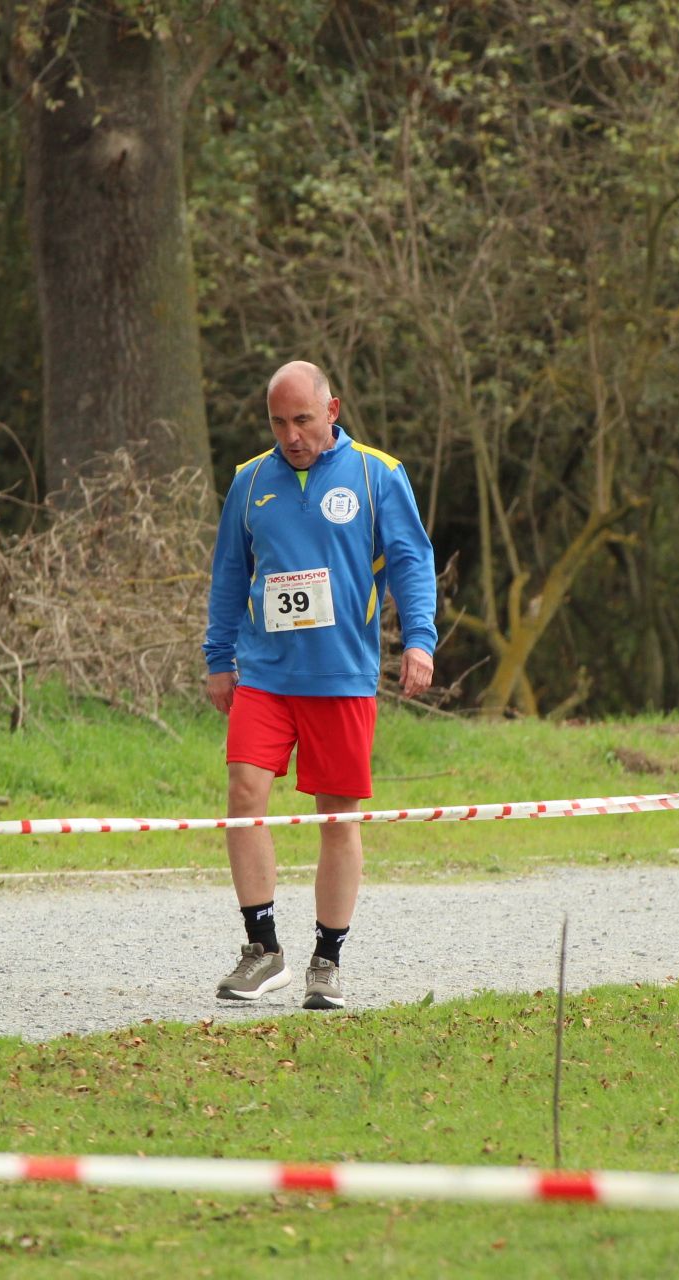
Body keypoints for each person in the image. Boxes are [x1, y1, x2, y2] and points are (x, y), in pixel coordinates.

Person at [202, 361, 437, 1009]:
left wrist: (421, 639)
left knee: (337, 817)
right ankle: (261, 948)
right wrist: (218, 657)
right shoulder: (250, 482)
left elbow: (414, 561)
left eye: (302, 419)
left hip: (341, 678)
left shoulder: (377, 474)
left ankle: (326, 960)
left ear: (331, 409)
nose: (291, 434)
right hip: (266, 676)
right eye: (278, 422)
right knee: (244, 794)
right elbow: (228, 574)